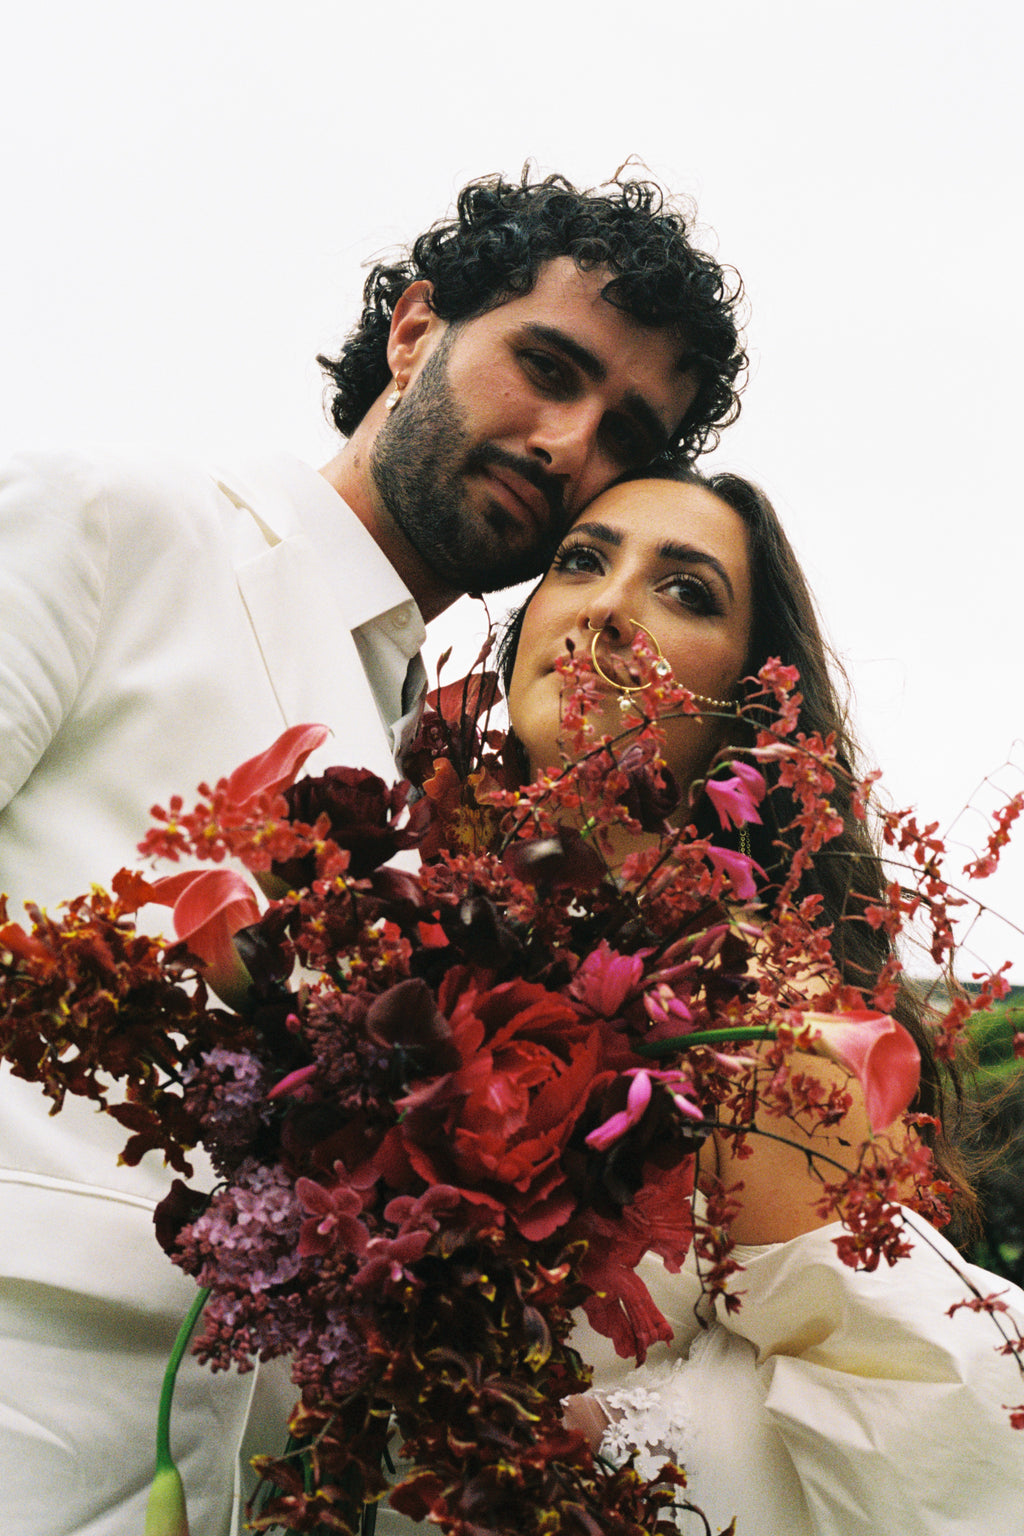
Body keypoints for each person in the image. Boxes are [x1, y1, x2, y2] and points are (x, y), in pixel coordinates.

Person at [0, 171, 746, 1536]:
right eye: (548, 365)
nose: (570, 439)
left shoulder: (437, 778)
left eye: (626, 429)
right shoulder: (121, 525)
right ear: (414, 330)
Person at [498, 465, 1024, 1534]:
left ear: (746, 695)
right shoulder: (379, 916)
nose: (605, 607)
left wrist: (608, 1453)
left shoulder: (753, 1010)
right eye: (581, 560)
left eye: (685, 591)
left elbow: (915, 1407)